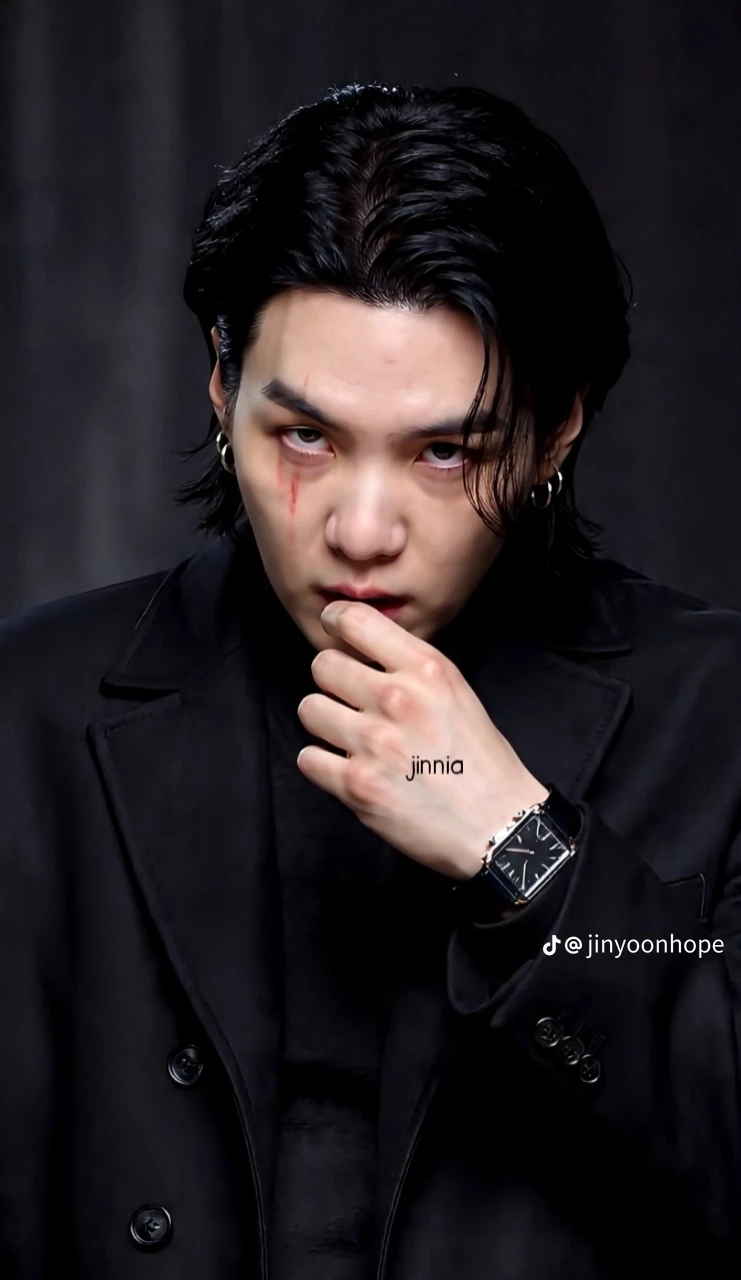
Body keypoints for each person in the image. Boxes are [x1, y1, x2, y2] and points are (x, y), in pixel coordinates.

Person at [1, 80, 740, 1280]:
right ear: (221, 382)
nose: (359, 529)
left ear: (557, 429)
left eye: (445, 450)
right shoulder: (29, 710)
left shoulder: (718, 716)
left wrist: (523, 849)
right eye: (307, 436)